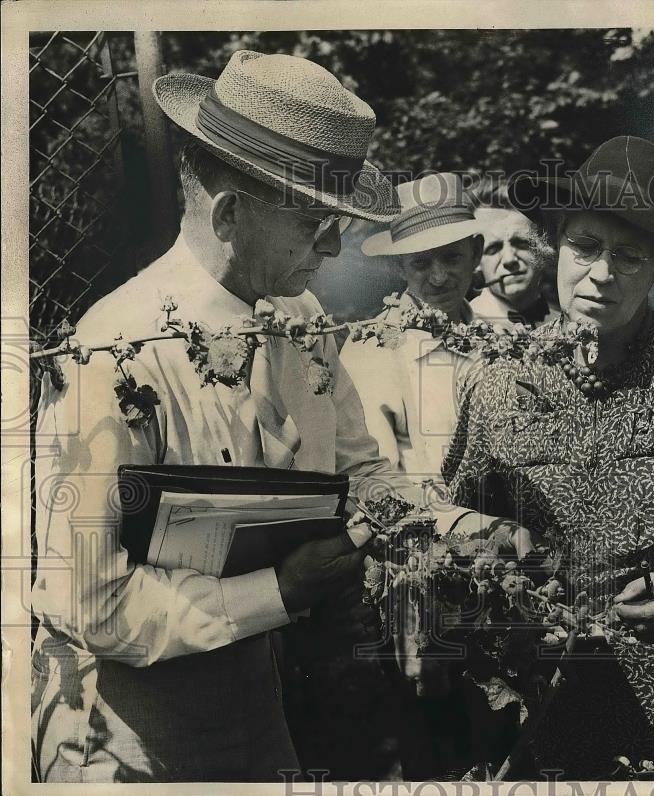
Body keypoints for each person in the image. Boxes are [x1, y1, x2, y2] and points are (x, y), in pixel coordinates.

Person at [29, 51, 518, 783]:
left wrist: (451, 526)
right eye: (318, 223)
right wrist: (283, 592)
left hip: (259, 703)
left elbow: (360, 469)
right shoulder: (116, 354)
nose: (335, 247)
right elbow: (90, 602)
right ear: (230, 215)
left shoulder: (300, 320)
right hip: (125, 731)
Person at [443, 136, 654, 779]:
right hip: (533, 707)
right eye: (586, 247)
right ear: (557, 244)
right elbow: (453, 526)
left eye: (630, 256)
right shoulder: (496, 383)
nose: (602, 274)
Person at [340, 173, 483, 483]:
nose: (439, 277)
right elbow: (374, 479)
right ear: (398, 267)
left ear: (477, 253)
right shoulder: (373, 349)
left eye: (452, 257)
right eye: (421, 263)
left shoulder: (498, 339)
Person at [470, 187, 558, 329]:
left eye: (521, 243)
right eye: (494, 248)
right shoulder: (463, 327)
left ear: (542, 247)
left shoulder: (566, 325)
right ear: (475, 259)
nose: (509, 259)